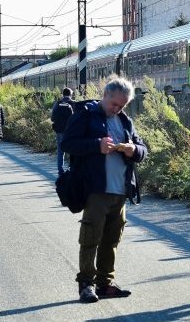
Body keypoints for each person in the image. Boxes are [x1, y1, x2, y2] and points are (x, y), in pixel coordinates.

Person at [61, 76, 148, 303]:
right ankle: (86, 284)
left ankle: (105, 283)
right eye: (114, 104)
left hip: (120, 191)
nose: (117, 109)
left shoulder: (125, 121)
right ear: (106, 95)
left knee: (112, 240)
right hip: (96, 189)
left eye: (122, 105)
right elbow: (68, 144)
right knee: (91, 237)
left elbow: (143, 149)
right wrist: (96, 145)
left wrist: (133, 150)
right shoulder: (85, 114)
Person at [50, 87, 76, 176]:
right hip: (71, 131)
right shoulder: (74, 104)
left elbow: (52, 118)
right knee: (72, 150)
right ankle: (72, 168)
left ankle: (60, 171)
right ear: (70, 94)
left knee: (61, 151)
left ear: (63, 94)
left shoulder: (57, 104)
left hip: (60, 131)